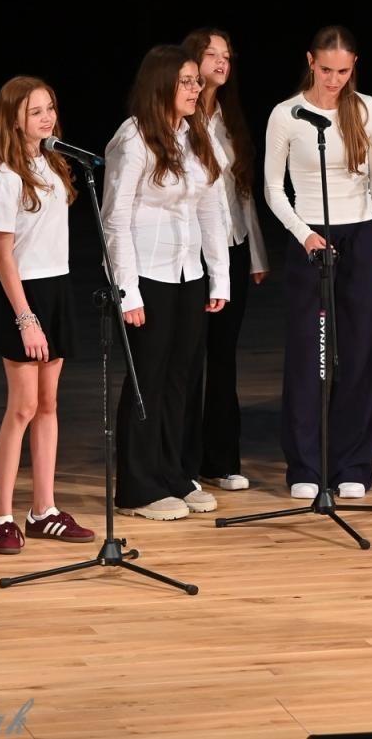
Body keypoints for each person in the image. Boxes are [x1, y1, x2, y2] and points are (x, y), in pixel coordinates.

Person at [265, 26, 372, 500]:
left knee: (361, 354)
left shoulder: (370, 110)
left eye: (343, 71)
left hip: (361, 236)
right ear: (310, 61)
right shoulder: (287, 114)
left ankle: (353, 465)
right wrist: (305, 235)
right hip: (311, 240)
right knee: (309, 354)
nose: (334, 80)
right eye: (326, 70)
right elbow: (272, 189)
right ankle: (304, 464)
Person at [104, 45, 231, 521]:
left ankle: (175, 472)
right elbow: (114, 219)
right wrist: (127, 290)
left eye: (197, 81)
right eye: (187, 82)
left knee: (183, 378)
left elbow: (211, 208)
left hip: (187, 273)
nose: (197, 89)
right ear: (162, 84)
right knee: (147, 381)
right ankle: (138, 488)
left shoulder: (196, 136)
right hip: (147, 276)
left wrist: (219, 276)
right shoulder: (135, 138)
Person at [0, 77, 94, 553]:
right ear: (14, 120)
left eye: (50, 108)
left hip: (56, 285)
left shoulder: (54, 164)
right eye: (35, 112)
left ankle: (43, 508)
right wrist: (25, 318)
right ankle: (2, 515)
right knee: (22, 407)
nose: (47, 118)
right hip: (19, 293)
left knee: (49, 405)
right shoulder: (5, 177)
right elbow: (3, 254)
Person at [184, 28, 269, 491]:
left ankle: (220, 460)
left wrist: (255, 250)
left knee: (223, 358)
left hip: (232, 248)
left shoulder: (229, 118)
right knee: (190, 357)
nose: (221, 61)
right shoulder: (179, 116)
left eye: (227, 55)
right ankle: (184, 460)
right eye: (211, 54)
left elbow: (241, 189)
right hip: (191, 252)